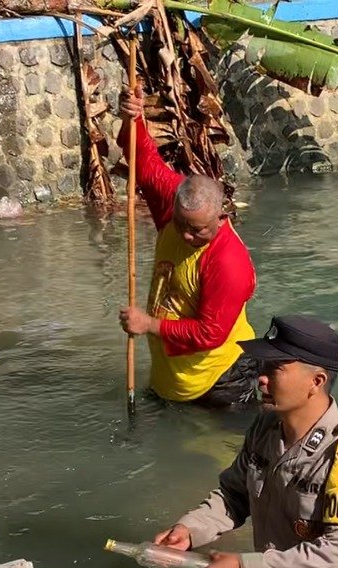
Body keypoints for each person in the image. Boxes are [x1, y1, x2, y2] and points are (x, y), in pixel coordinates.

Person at [152, 315, 338, 568]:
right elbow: (234, 494)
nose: (261, 378)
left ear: (316, 382)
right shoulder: (265, 427)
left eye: (274, 369)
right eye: (262, 366)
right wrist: (190, 530)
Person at [116, 85, 258, 407]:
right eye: (181, 226)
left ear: (221, 217)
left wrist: (148, 324)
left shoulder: (229, 261)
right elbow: (142, 160)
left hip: (220, 380)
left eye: (198, 230)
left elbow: (211, 334)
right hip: (173, 375)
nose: (187, 236)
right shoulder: (177, 203)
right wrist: (132, 118)